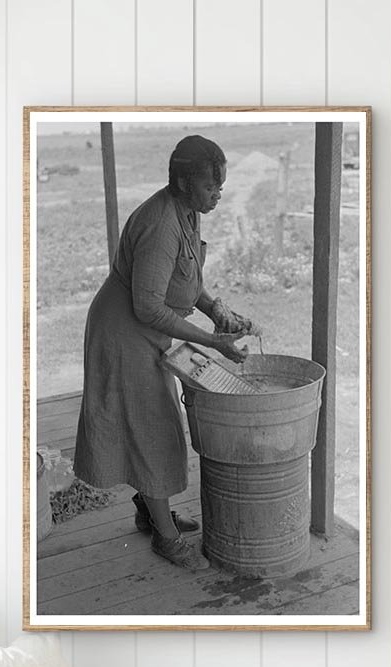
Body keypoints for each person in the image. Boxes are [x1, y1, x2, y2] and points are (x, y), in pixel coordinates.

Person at [73, 134, 256, 571]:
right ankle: (165, 536)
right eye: (211, 187)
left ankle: (149, 511)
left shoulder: (188, 212)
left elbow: (186, 275)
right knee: (151, 431)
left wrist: (216, 311)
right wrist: (213, 343)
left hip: (143, 332)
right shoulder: (160, 222)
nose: (217, 195)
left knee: (150, 428)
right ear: (181, 181)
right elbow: (148, 305)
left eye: (220, 187)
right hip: (122, 335)